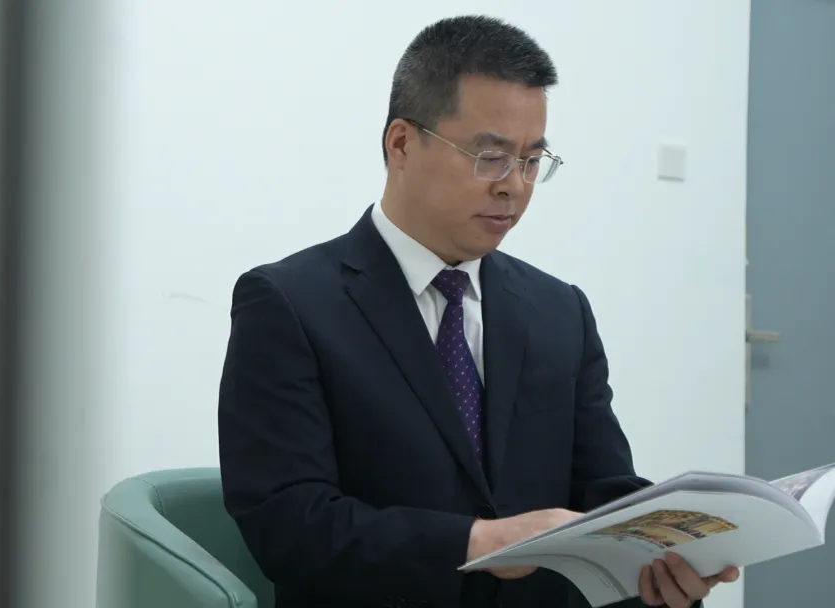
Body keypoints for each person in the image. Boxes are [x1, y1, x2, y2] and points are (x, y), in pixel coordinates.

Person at [217, 15, 739, 608]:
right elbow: (291, 524)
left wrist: (664, 556)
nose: (514, 186)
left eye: (532, 160)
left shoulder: (559, 311)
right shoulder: (289, 304)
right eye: (490, 157)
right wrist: (478, 542)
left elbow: (600, 490)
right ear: (401, 144)